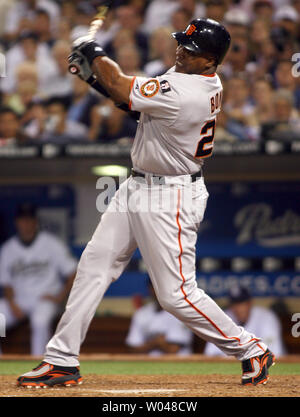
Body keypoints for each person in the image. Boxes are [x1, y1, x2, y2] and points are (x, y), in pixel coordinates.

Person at [18, 18, 275, 389]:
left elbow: (124, 86)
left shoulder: (189, 87)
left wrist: (94, 51)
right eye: (181, 44)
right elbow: (138, 107)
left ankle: (249, 347)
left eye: (191, 49)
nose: (181, 51)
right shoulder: (191, 76)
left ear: (210, 61)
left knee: (175, 296)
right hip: (138, 185)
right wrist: (94, 79)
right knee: (93, 265)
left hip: (170, 194)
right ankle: (61, 360)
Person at [0, 203, 77, 355]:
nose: (26, 223)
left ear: (35, 221)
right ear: (17, 222)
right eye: (23, 220)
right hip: (19, 300)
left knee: (40, 321)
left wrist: (59, 297)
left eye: (29, 219)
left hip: (45, 299)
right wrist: (12, 303)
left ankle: (39, 364)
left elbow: (73, 271)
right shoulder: (8, 248)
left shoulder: (51, 244)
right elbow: (6, 283)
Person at [204, 286, 285, 357]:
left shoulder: (267, 317)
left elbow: (273, 352)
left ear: (249, 303)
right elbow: (211, 353)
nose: (238, 308)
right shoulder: (223, 318)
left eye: (241, 303)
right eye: (235, 304)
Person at [126, 279, 193, 356]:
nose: (158, 291)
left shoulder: (180, 312)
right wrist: (156, 342)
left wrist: (148, 345)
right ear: (150, 288)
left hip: (177, 364)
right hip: (148, 364)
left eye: (162, 287)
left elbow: (173, 349)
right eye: (154, 287)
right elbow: (132, 348)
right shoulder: (141, 313)